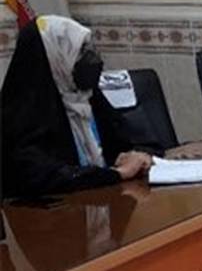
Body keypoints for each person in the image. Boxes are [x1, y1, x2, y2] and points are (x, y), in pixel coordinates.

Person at [1, 15, 153, 198]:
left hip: (104, 201)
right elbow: (44, 178)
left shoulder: (86, 97)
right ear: (56, 59)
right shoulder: (23, 115)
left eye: (88, 48)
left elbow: (129, 141)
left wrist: (133, 156)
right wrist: (116, 174)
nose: (91, 59)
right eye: (79, 51)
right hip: (50, 212)